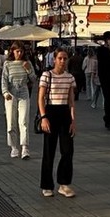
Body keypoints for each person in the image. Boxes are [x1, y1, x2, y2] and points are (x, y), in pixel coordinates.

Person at [38, 47, 77, 197]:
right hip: (51, 112)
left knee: (67, 151)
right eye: (60, 58)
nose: (62, 61)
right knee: (49, 150)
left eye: (65, 58)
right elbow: (41, 97)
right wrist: (44, 117)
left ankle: (64, 183)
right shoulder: (46, 75)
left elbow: (71, 101)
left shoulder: (69, 77)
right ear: (54, 59)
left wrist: (73, 121)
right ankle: (47, 185)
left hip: (65, 113)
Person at [3, 42, 37, 160]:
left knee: (23, 121)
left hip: (23, 91)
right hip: (11, 93)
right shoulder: (8, 64)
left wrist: (29, 70)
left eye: (21, 51)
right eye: (17, 51)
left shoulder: (27, 63)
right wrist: (5, 92)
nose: (19, 53)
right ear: (12, 51)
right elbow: (4, 80)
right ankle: (13, 147)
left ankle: (25, 147)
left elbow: (33, 79)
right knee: (11, 122)